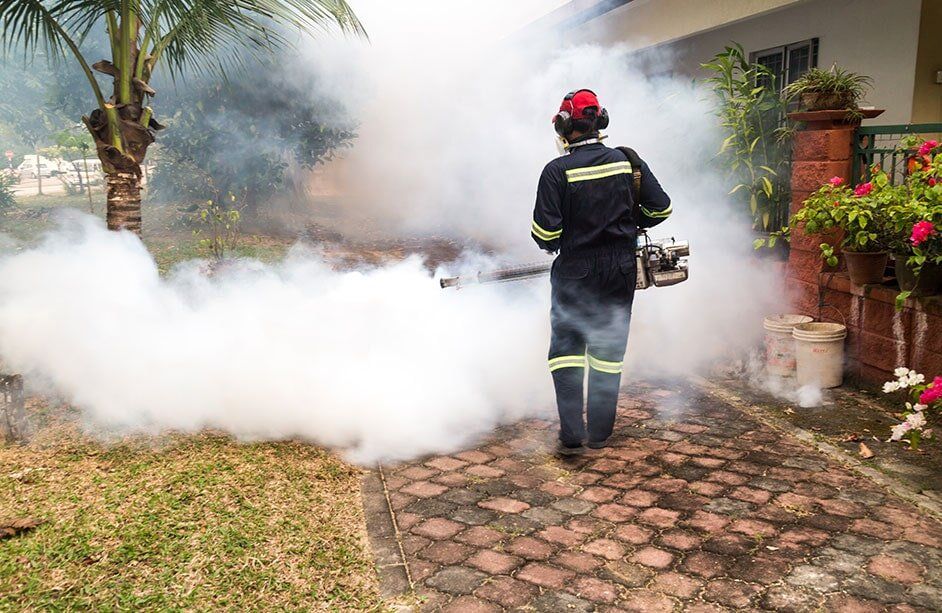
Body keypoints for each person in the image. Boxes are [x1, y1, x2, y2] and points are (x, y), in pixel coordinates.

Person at [531, 89, 672, 456]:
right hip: (621, 268)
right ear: (601, 121)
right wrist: (626, 225)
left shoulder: (556, 171)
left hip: (575, 270)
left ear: (563, 127)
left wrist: (565, 235)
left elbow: (545, 235)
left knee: (567, 349)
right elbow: (661, 209)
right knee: (608, 349)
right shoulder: (627, 162)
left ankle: (572, 435)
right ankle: (601, 434)